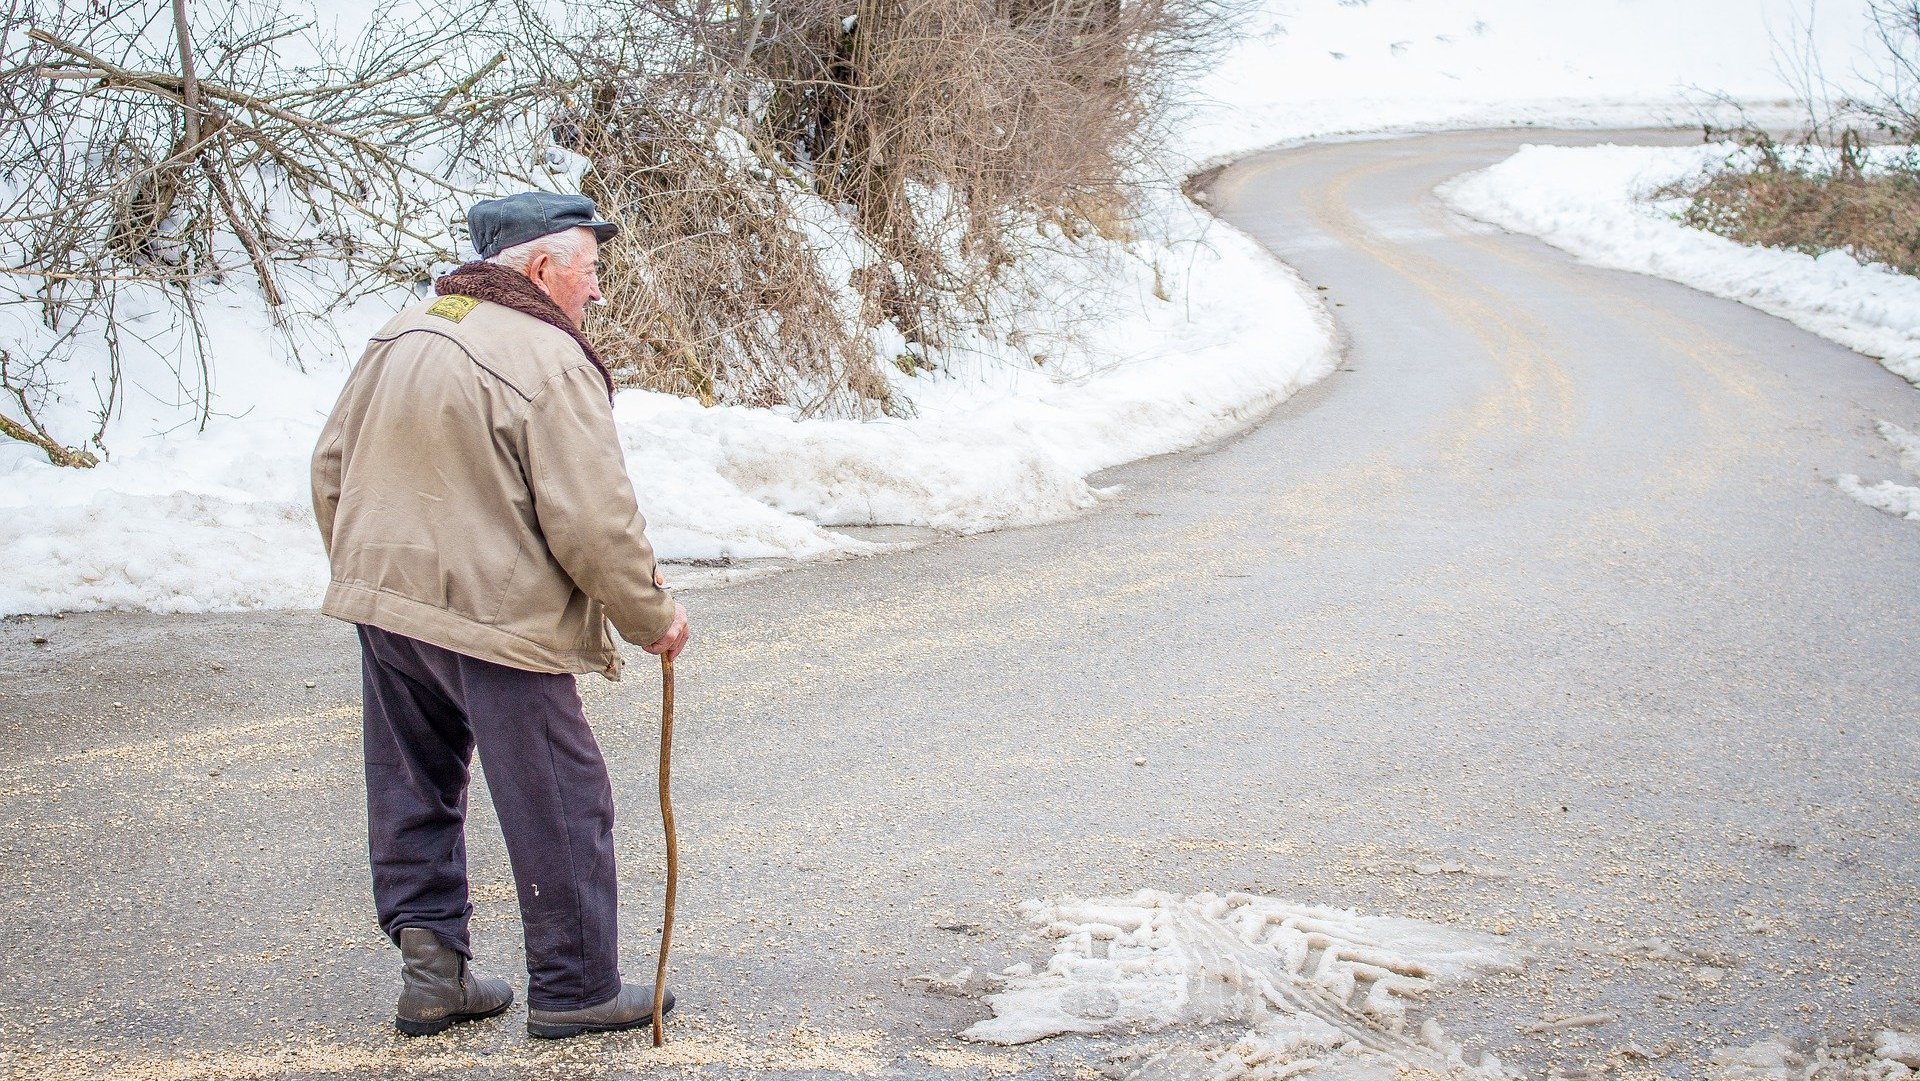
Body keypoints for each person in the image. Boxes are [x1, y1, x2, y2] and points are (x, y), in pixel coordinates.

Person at [311, 191, 690, 1040]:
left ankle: (433, 976)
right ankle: (578, 987)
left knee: (414, 785)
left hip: (387, 601)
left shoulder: (402, 330)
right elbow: (595, 520)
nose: (596, 294)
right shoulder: (549, 359)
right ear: (544, 266)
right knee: (562, 795)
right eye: (590, 272)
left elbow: (329, 465)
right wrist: (650, 615)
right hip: (492, 614)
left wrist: (370, 569)